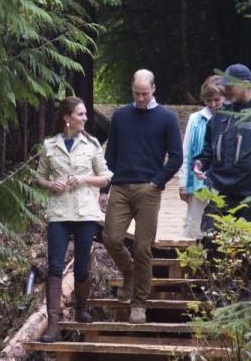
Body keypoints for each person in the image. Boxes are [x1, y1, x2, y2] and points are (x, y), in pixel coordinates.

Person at [102, 70, 183, 324]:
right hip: (121, 185)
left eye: (144, 94)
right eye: (136, 93)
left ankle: (139, 304)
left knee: (143, 247)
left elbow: (176, 157)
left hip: (148, 189)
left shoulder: (166, 118)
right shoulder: (121, 116)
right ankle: (129, 273)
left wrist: (157, 182)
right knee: (112, 238)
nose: (140, 98)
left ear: (154, 89)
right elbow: (111, 154)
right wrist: (105, 188)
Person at [35, 97, 112, 342]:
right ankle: (53, 325)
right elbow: (40, 178)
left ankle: (81, 309)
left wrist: (85, 179)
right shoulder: (50, 145)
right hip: (58, 212)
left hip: (85, 212)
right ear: (67, 118)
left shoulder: (92, 144)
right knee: (55, 267)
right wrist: (51, 184)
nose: (85, 118)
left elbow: (105, 177)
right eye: (80, 114)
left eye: (85, 114)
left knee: (80, 266)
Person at [193, 63, 251, 232]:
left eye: (230, 85)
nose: (226, 89)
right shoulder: (221, 114)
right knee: (210, 243)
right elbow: (208, 148)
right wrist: (200, 163)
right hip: (220, 193)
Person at [177, 75, 225, 239]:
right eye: (209, 100)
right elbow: (186, 151)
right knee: (194, 228)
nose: (213, 104)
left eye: (217, 99)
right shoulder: (196, 119)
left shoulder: (233, 118)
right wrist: (183, 183)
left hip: (225, 182)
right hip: (199, 183)